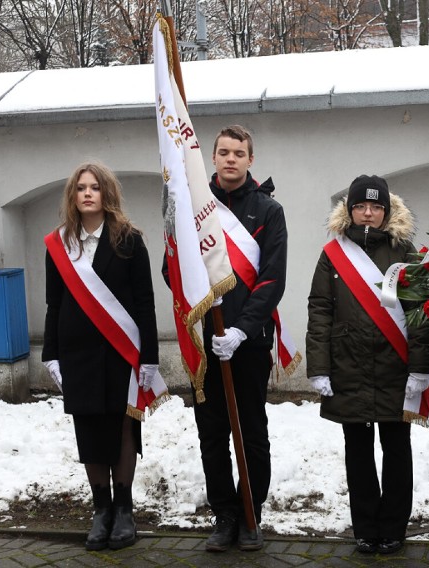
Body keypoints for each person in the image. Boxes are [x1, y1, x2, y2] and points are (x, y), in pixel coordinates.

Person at [163, 125, 288, 553]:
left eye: (239, 152)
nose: (231, 159)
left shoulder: (269, 211)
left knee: (251, 430)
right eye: (223, 152)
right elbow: (172, 269)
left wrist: (241, 328)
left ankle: (251, 512)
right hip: (204, 342)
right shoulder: (195, 209)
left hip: (248, 341)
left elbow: (272, 278)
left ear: (251, 160)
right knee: (212, 431)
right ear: (212, 159)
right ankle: (225, 515)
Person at [306, 175, 429, 556]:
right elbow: (320, 310)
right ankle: (365, 528)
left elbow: (419, 314)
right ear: (349, 210)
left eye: (376, 207)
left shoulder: (405, 250)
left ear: (386, 212)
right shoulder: (333, 254)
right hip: (349, 366)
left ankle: (393, 527)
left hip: (395, 366)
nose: (368, 213)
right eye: (361, 206)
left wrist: (420, 369)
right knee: (357, 451)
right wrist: (319, 367)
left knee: (397, 449)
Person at [42, 162, 161, 551]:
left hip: (120, 353)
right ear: (72, 196)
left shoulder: (129, 240)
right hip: (77, 356)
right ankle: (101, 511)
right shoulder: (59, 245)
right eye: (81, 188)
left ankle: (124, 511)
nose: (88, 193)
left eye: (95, 187)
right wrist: (51, 355)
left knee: (122, 428)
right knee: (89, 431)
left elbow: (145, 303)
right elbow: (54, 305)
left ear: (107, 193)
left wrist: (149, 357)